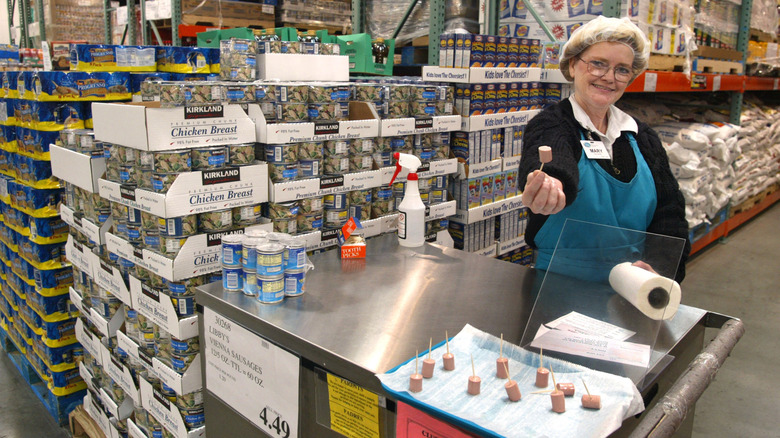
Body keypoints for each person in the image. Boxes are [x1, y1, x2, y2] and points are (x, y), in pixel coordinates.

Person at [519, 17, 690, 283]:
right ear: (573, 65)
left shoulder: (643, 137)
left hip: (632, 287)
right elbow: (554, 159)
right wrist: (550, 184)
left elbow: (669, 212)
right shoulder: (552, 124)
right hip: (557, 286)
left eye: (622, 69)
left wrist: (661, 269)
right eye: (598, 64)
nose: (609, 77)